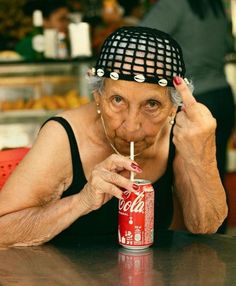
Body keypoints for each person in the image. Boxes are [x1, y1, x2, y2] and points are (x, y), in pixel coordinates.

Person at [0, 26, 227, 247]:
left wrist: (203, 156)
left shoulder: (181, 135)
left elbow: (205, 226)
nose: (131, 125)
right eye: (117, 100)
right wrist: (83, 200)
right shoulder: (62, 135)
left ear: (173, 107)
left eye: (152, 104)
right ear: (98, 95)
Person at [140, 0, 235, 187]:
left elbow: (136, 42)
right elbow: (229, 44)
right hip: (222, 96)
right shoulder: (215, 6)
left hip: (191, 100)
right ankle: (218, 218)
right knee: (215, 176)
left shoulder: (173, 5)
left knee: (184, 182)